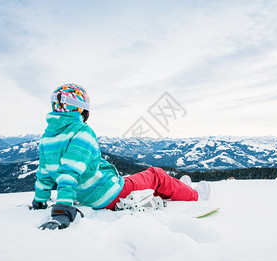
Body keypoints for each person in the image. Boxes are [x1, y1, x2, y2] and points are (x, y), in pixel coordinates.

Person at [32, 83, 210, 230]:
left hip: (84, 196)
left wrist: (39, 201)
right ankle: (195, 195)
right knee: (156, 175)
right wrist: (62, 211)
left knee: (142, 185)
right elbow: (69, 172)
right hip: (105, 194)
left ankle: (180, 189)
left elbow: (44, 174)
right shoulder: (81, 132)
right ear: (80, 108)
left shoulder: (46, 139)